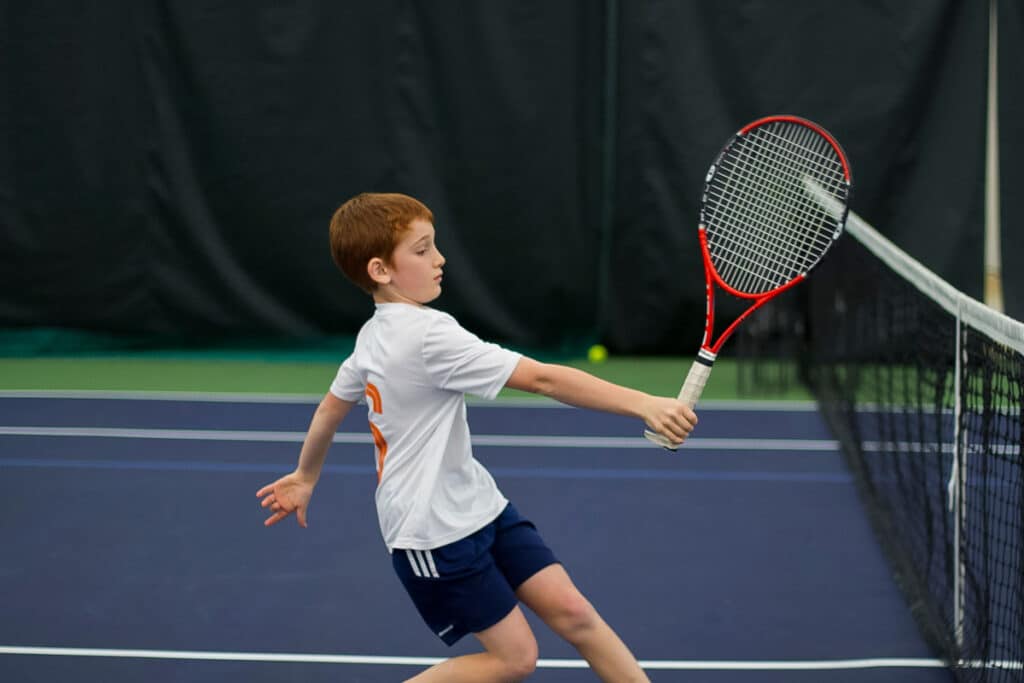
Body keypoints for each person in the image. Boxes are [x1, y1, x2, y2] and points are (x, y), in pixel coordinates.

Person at [257, 192, 697, 682]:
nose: (440, 259)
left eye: (435, 245)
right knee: (515, 659)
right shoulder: (426, 336)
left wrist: (304, 475)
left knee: (575, 614)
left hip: (479, 506)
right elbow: (543, 380)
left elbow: (329, 409)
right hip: (433, 531)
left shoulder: (373, 334)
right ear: (380, 270)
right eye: (422, 250)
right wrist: (645, 403)